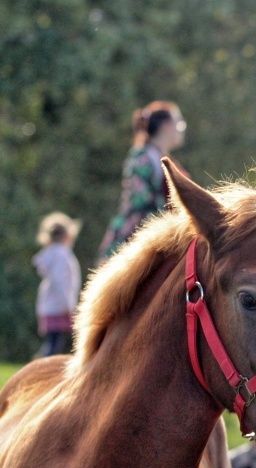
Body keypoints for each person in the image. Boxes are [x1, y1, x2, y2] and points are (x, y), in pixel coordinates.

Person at [97, 100, 186, 260]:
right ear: (166, 126)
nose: (181, 129)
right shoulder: (142, 157)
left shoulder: (164, 158)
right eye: (178, 123)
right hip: (136, 240)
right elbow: (139, 202)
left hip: (164, 237)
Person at [33, 211, 82, 357]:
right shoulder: (62, 257)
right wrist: (69, 306)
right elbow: (62, 283)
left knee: (53, 342)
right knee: (55, 344)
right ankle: (41, 369)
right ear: (67, 236)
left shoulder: (50, 255)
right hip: (60, 307)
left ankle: (41, 365)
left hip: (49, 306)